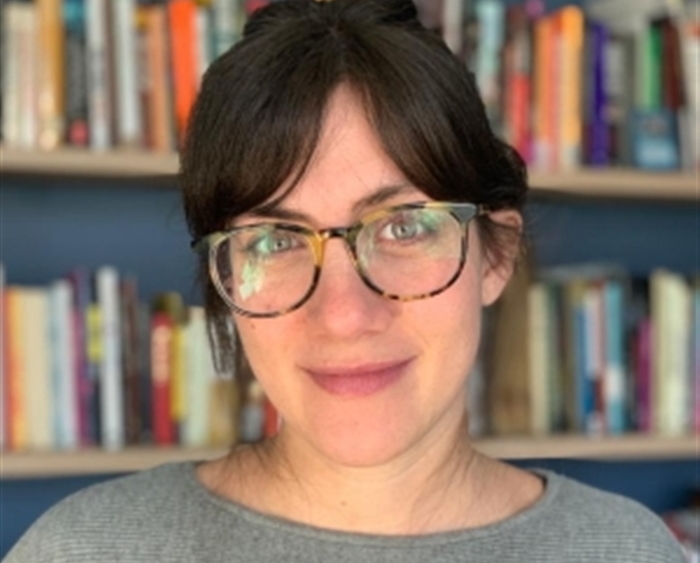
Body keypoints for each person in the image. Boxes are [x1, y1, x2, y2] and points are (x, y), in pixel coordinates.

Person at [5, 1, 686, 562]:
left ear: (496, 253)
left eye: (404, 226)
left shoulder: (626, 549)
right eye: (274, 240)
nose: (343, 314)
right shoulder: (83, 551)